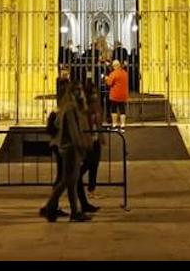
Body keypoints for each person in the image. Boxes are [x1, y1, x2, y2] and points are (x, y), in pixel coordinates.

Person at [41, 79, 92, 222]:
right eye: (79, 90)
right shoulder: (70, 108)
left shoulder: (67, 106)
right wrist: (81, 146)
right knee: (66, 181)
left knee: (71, 182)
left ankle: (74, 212)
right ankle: (51, 207)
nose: (81, 93)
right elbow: (73, 130)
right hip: (70, 148)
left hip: (68, 147)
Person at [80, 79, 105, 204]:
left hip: (95, 138)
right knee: (88, 164)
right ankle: (75, 179)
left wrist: (101, 136)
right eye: (94, 93)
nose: (96, 95)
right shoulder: (85, 108)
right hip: (89, 138)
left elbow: (99, 123)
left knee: (94, 164)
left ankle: (91, 189)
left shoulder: (96, 106)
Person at [104, 59, 129, 130]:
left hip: (115, 94)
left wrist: (106, 79)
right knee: (122, 110)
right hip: (123, 94)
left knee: (114, 110)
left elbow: (109, 83)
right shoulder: (125, 73)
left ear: (115, 66)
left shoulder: (113, 73)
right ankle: (123, 125)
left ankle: (114, 124)